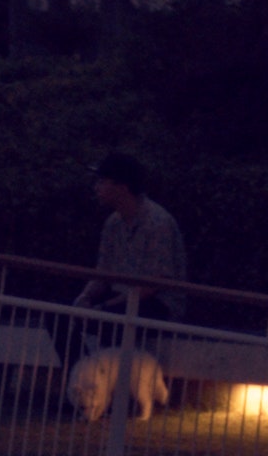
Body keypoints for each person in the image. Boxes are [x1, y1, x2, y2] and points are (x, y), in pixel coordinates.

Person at [72, 153, 187, 425]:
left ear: (122, 187)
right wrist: (85, 297)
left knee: (113, 321)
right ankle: (85, 391)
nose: (96, 188)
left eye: (102, 182)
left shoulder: (158, 222)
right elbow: (103, 271)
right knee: (65, 316)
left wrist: (107, 305)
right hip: (121, 297)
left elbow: (156, 282)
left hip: (157, 301)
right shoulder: (113, 223)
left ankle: (109, 395)